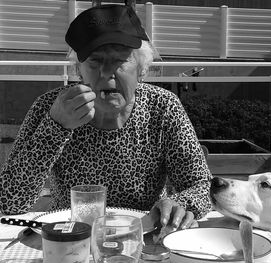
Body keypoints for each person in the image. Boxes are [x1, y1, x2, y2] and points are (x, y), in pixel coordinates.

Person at [0, 4, 212, 230]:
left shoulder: (163, 107)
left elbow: (199, 184)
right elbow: (11, 201)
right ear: (78, 70)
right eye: (95, 61)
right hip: (70, 236)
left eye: (119, 60)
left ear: (141, 69)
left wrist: (178, 204)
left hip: (142, 236)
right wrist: (55, 126)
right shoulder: (50, 107)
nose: (105, 73)